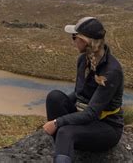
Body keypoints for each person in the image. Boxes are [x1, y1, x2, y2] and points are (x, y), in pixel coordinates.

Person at [43, 17, 124, 163]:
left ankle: (66, 142)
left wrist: (57, 122)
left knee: (65, 131)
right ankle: (65, 145)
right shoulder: (83, 60)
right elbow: (79, 94)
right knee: (54, 97)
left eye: (74, 37)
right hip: (85, 119)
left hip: (106, 126)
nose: (72, 40)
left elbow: (92, 113)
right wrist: (62, 107)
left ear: (84, 41)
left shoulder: (112, 71)